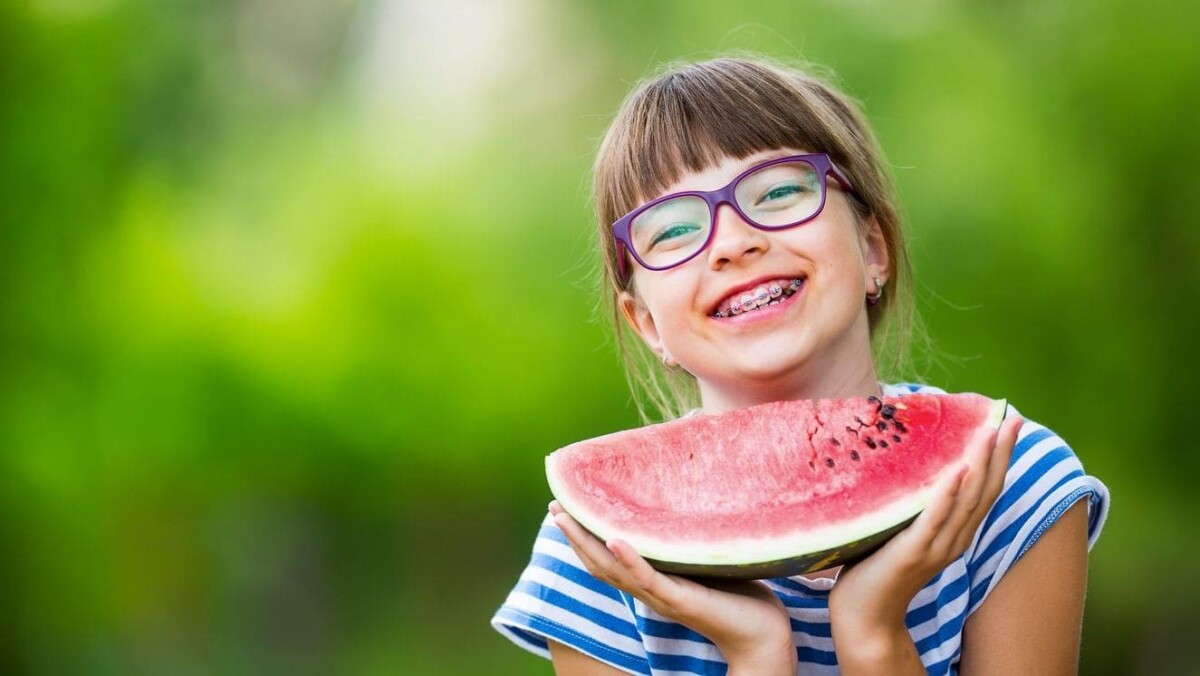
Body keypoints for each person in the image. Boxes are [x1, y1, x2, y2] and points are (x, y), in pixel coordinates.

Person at [491, 55, 1109, 675]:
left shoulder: (1011, 484)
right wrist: (757, 655)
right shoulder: (599, 554)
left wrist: (873, 634)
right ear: (648, 324)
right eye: (673, 230)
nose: (734, 244)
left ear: (873, 249)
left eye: (781, 191)